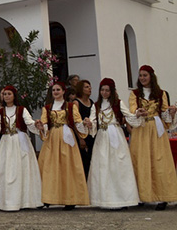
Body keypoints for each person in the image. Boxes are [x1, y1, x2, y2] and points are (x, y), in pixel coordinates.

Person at [128, 65, 177, 210]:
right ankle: (142, 196)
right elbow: (132, 110)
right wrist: (138, 112)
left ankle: (163, 196)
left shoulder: (161, 93)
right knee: (140, 160)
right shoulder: (135, 94)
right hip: (141, 129)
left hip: (156, 129)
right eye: (140, 75)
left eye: (145, 75)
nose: (142, 78)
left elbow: (164, 114)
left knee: (160, 161)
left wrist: (171, 112)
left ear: (151, 76)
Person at [35, 81, 89, 210]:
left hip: (66, 137)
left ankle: (69, 198)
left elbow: (77, 122)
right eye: (54, 90)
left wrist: (85, 124)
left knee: (67, 166)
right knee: (49, 166)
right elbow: (45, 123)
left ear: (64, 91)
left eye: (58, 89)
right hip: (52, 137)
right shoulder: (47, 108)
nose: (56, 92)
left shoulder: (70, 106)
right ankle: (47, 198)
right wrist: (41, 127)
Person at [0, 85, 42, 211]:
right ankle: (6, 202)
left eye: (9, 94)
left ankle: (25, 201)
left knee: (23, 168)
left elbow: (29, 122)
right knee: (6, 169)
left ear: (14, 96)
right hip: (6, 142)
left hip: (20, 141)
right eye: (4, 94)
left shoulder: (22, 110)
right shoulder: (0, 112)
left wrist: (36, 124)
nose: (6, 96)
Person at [87, 78, 139, 209]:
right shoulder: (96, 105)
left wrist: (138, 114)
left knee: (118, 166)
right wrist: (89, 124)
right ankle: (105, 199)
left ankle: (123, 199)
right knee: (103, 166)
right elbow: (93, 121)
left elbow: (129, 116)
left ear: (112, 91)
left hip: (116, 135)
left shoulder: (118, 103)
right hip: (102, 137)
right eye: (102, 90)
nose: (104, 92)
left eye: (107, 90)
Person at [75, 80, 95, 179]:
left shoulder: (92, 102)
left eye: (89, 86)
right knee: (84, 160)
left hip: (91, 134)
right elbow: (75, 122)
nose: (89, 88)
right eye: (86, 87)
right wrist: (80, 138)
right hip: (82, 135)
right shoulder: (76, 103)